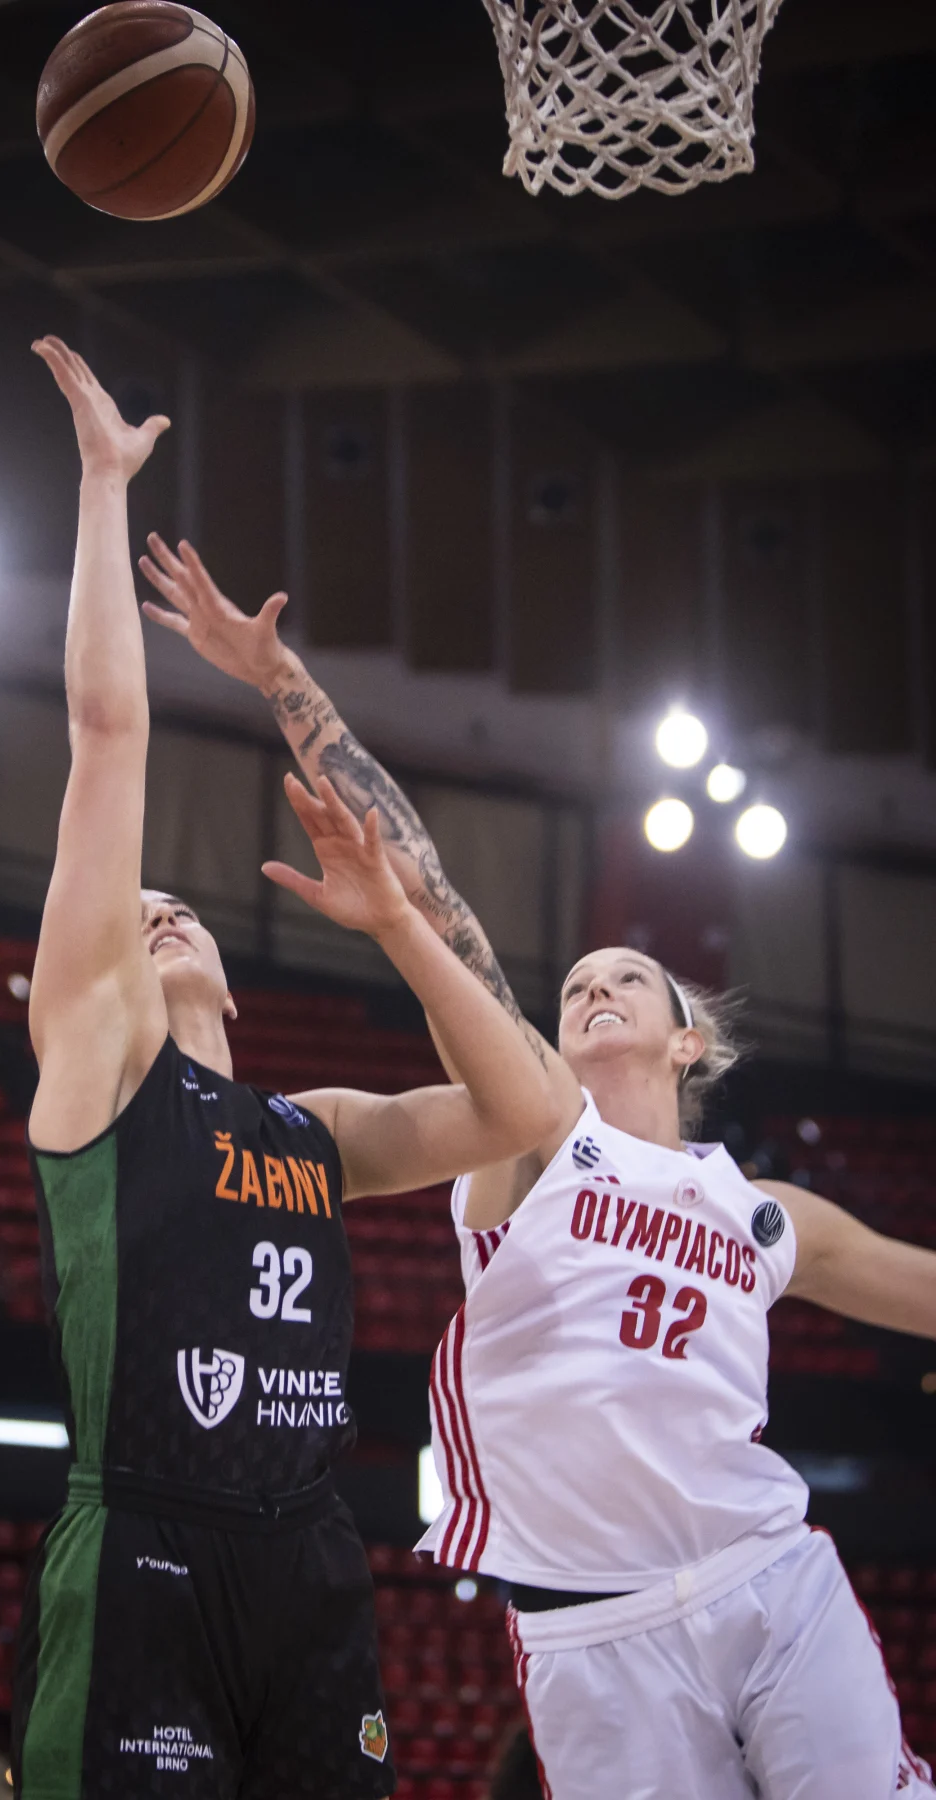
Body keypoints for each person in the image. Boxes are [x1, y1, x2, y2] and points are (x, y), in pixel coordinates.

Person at [139, 536, 936, 1800]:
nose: (592, 986)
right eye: (574, 983)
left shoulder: (767, 1218)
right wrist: (284, 682)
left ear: (690, 1039)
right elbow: (428, 887)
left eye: (628, 976)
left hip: (768, 1575)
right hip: (590, 1627)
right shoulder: (539, 1139)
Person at [12, 339, 564, 1800]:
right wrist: (98, 485)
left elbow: (528, 1109)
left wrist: (394, 921)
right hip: (146, 1540)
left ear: (242, 986)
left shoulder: (311, 1130)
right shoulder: (101, 1077)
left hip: (311, 1557)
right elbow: (107, 734)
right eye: (138, 914)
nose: (162, 906)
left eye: (179, 905)